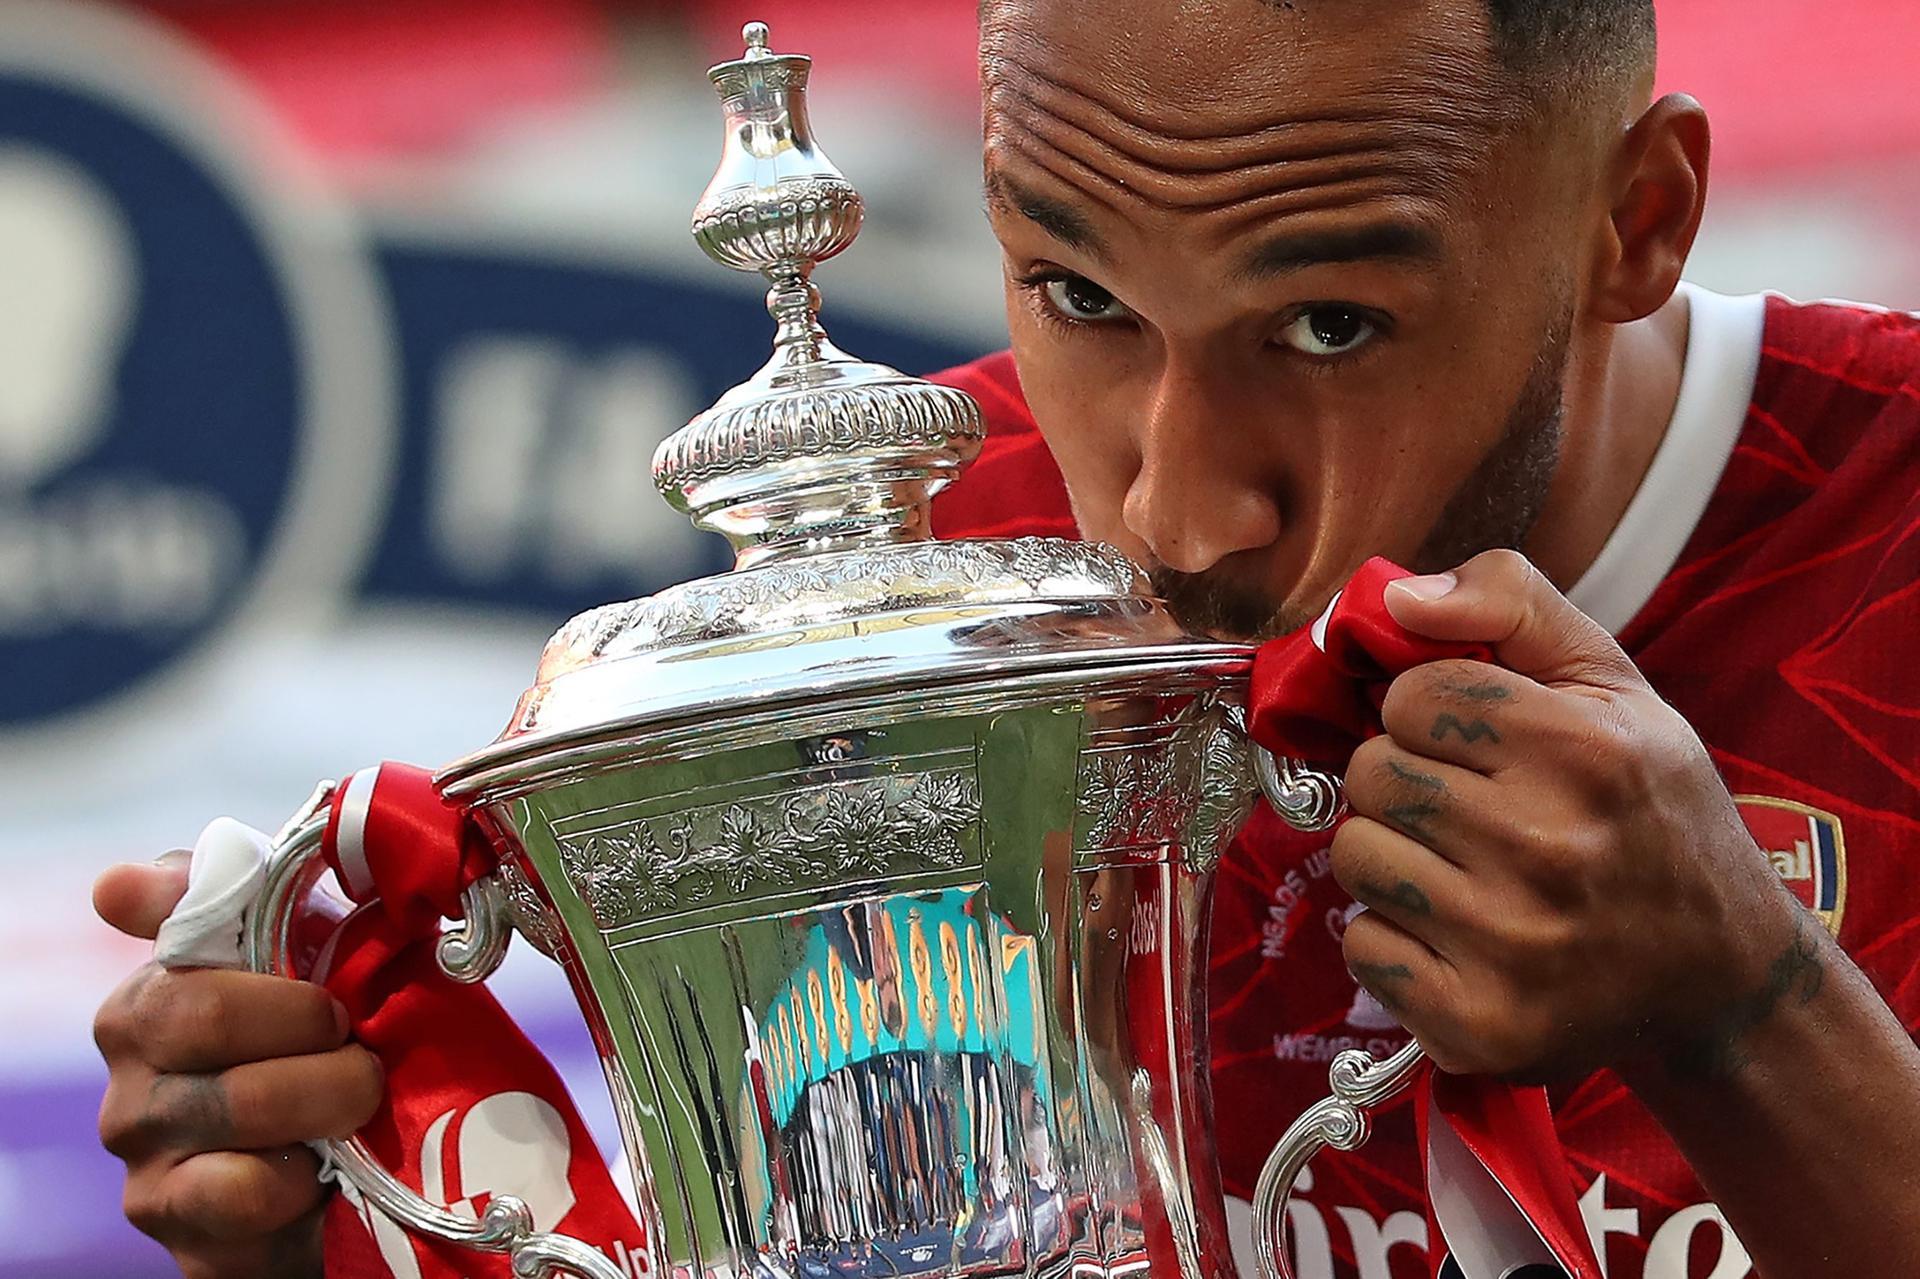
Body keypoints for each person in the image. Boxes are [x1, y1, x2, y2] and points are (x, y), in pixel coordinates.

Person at [91, 0, 1920, 1276]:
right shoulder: (917, 599)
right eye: (1080, 294)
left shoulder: (1885, 534)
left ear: (1637, 219)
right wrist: (337, 1211)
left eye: (1334, 326)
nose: (1176, 513)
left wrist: (1753, 1013)